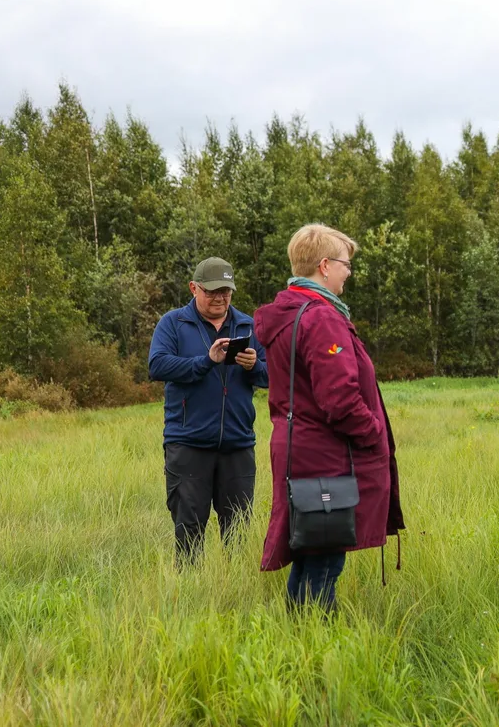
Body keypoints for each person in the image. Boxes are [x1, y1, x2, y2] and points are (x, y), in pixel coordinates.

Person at [253, 224, 404, 610]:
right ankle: (317, 650)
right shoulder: (321, 318)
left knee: (311, 552)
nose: (348, 272)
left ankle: (298, 639)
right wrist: (374, 433)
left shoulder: (292, 312)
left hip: (299, 448)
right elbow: (338, 399)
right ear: (324, 265)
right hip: (324, 455)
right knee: (324, 560)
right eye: (345, 264)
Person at [148, 257, 268, 565]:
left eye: (226, 291)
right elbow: (157, 365)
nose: (220, 298)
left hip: (238, 444)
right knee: (188, 531)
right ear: (194, 288)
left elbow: (272, 376)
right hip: (188, 444)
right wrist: (206, 360)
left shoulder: (247, 325)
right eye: (212, 291)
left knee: (239, 532)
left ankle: (234, 594)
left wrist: (254, 366)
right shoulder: (173, 323)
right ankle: (190, 598)